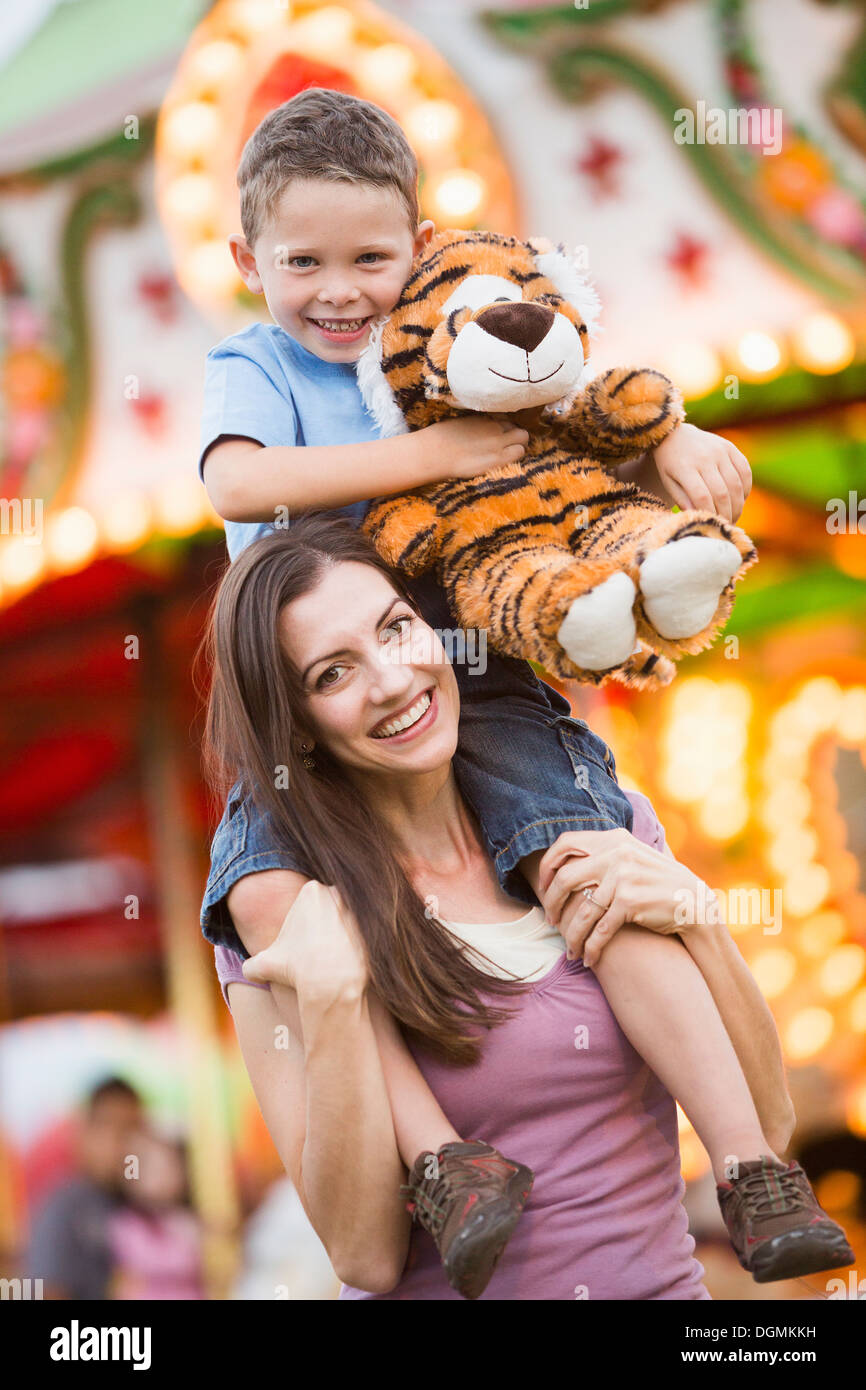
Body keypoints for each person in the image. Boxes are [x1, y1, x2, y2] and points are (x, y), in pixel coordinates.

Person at [195, 89, 842, 1295]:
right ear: (245, 262)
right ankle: (442, 1161)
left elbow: (562, 401)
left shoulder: (436, 341)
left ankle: (750, 1168)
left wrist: (668, 444)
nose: (340, 291)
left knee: (586, 863)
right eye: (303, 263)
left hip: (480, 665)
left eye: (371, 260)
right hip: (281, 715)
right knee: (274, 897)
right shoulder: (260, 368)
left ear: (422, 247)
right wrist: (429, 458)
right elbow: (241, 485)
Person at [201, 518, 854, 1299]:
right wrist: (337, 1003)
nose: (394, 680)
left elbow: (769, 1128)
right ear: (296, 727)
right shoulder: (287, 926)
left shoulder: (599, 823)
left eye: (397, 629)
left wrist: (702, 920)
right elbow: (365, 1258)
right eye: (332, 674)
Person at [27, 1076, 142, 1300]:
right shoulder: (63, 1208)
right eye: (112, 1128)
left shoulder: (143, 1204)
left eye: (134, 1129)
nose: (124, 1143)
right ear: (85, 1134)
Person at [107, 1127, 205, 1300]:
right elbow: (147, 1261)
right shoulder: (128, 1225)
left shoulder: (186, 1218)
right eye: (153, 1168)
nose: (165, 1174)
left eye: (171, 1164)